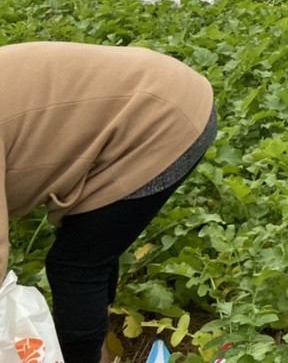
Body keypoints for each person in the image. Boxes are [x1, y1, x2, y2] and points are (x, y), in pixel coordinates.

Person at [1, 42, 216, 363]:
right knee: (91, 246)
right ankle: (98, 345)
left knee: (76, 264)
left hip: (158, 118)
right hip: (153, 91)